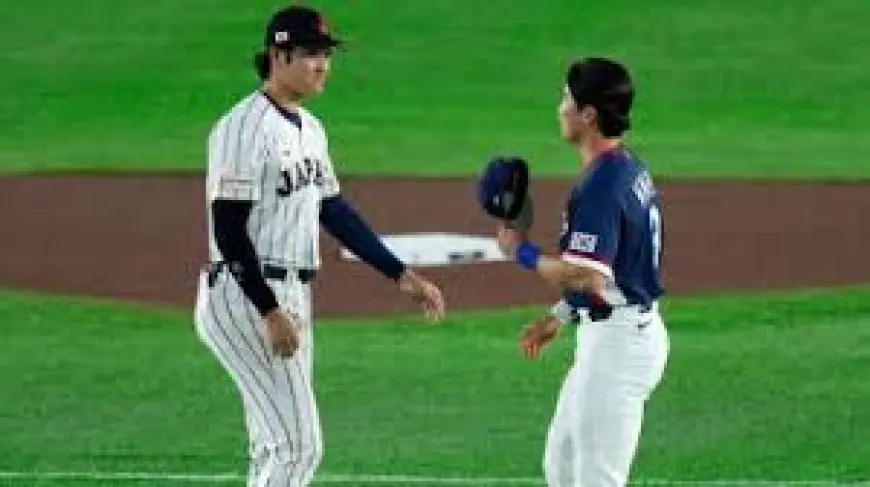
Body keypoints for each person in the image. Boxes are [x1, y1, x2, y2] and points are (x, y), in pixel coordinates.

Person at [192, 6, 445, 486]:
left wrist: (400, 273)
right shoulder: (242, 128)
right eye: (311, 54)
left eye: (326, 54)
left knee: (274, 445)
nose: (323, 65)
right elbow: (227, 229)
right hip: (246, 295)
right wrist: (268, 311)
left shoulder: (310, 130)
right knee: (298, 446)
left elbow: (335, 210)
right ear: (277, 56)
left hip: (289, 294)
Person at [495, 57, 669, 487]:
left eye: (566, 99)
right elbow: (615, 268)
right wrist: (560, 316)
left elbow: (584, 276)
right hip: (612, 333)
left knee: (594, 479)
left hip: (619, 345)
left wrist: (522, 252)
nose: (560, 108)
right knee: (563, 464)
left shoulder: (602, 186)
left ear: (588, 115)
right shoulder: (626, 168)